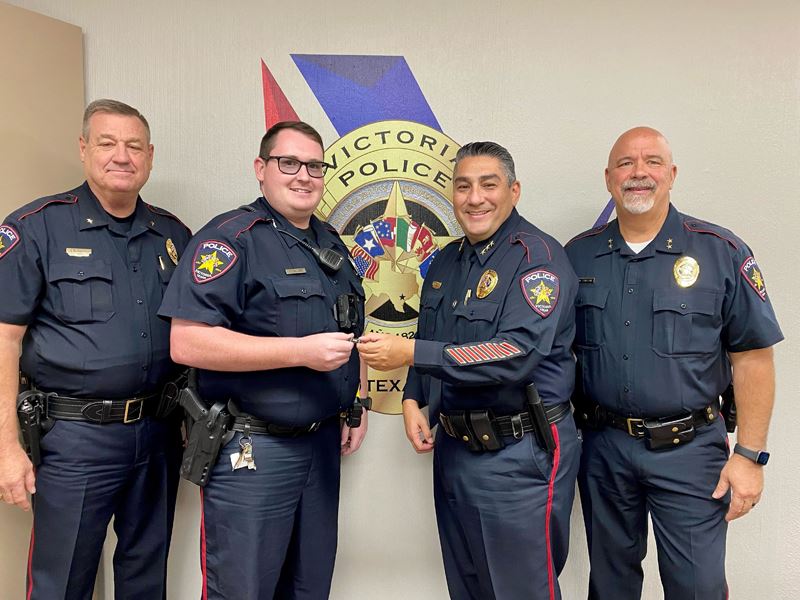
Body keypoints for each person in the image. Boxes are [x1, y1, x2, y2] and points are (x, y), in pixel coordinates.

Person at [566, 126, 783, 599]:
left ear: (672, 174)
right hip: (604, 450)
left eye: (652, 162)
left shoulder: (720, 252)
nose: (638, 173)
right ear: (608, 178)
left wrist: (749, 457)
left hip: (690, 452)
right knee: (610, 585)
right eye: (625, 163)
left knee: (698, 586)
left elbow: (753, 359)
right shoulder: (577, 255)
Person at [358, 141, 580, 600]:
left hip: (520, 451)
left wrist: (411, 357)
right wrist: (413, 397)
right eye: (463, 186)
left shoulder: (536, 259)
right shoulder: (446, 260)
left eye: (488, 184)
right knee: (469, 586)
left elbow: (515, 354)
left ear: (513, 191)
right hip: (455, 449)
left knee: (522, 590)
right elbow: (432, 332)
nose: (475, 197)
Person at [159, 120, 368, 599]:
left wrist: (351, 405)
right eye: (288, 163)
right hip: (251, 449)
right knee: (244, 588)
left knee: (309, 586)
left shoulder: (329, 243)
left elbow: (344, 332)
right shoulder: (231, 239)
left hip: (319, 447)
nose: (303, 176)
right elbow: (187, 344)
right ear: (261, 168)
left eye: (315, 165)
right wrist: (300, 352)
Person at [0, 99, 191, 599]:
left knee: (147, 577)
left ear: (150, 156)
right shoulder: (37, 228)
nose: (121, 156)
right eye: (107, 143)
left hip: (157, 434)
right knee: (61, 581)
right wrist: (6, 448)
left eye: (133, 146)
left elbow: (194, 335)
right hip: (74, 440)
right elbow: (4, 339)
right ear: (84, 149)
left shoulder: (172, 234)